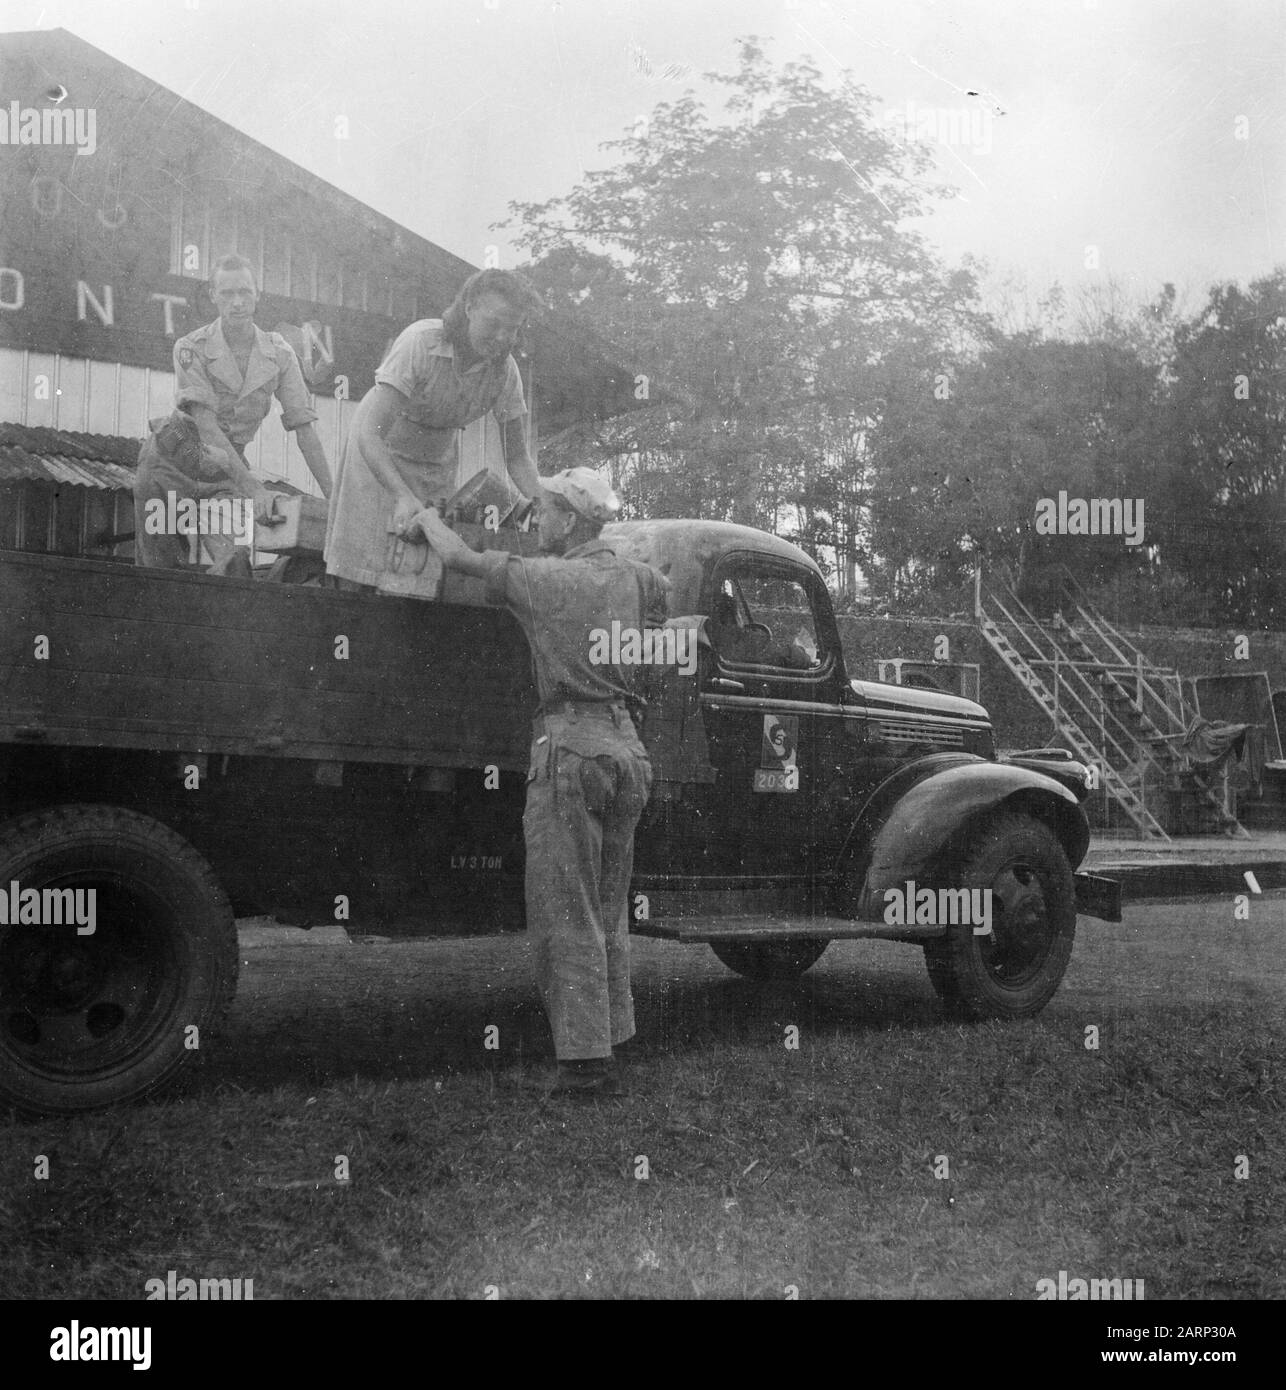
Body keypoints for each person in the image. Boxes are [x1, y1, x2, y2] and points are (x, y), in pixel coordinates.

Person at [410, 468, 668, 1099]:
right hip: (627, 749)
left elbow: (460, 558)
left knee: (565, 908)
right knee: (607, 908)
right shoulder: (637, 577)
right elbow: (664, 597)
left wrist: (423, 517)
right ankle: (615, 1039)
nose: (537, 520)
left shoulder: (547, 580)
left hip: (571, 749)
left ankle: (584, 1068)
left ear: (573, 521)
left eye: (548, 511)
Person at [324, 269, 543, 590]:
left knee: (419, 572)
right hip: (378, 452)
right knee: (363, 568)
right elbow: (370, 433)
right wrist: (401, 495)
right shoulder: (420, 342)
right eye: (493, 324)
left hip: (436, 461)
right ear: (469, 308)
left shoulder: (506, 373)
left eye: (511, 329)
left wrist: (546, 506)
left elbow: (519, 460)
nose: (500, 338)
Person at [135, 253, 332, 576]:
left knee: (236, 566)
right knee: (160, 576)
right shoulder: (190, 347)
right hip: (169, 464)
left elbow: (305, 431)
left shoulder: (281, 355)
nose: (237, 303)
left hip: (225, 473)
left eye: (244, 292)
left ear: (258, 295)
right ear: (213, 296)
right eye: (227, 294)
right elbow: (207, 427)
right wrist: (255, 490)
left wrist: (334, 500)